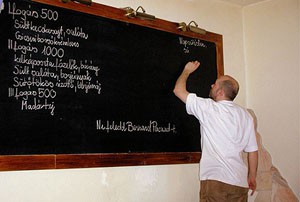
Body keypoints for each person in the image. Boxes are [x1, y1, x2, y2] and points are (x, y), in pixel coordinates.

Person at [173, 61, 258, 202]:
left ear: (220, 92)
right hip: (240, 184)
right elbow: (253, 151)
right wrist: (252, 177)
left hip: (216, 182)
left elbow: (178, 91)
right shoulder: (246, 115)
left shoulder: (209, 108)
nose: (211, 85)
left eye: (215, 84)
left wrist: (186, 70)